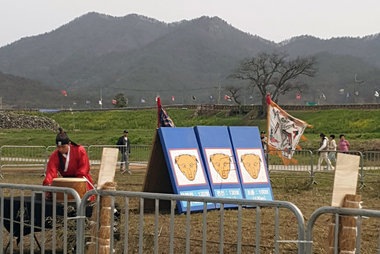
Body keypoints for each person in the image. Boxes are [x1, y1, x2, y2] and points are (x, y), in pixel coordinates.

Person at [43, 128, 95, 200]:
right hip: (65, 181)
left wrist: (76, 183)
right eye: (58, 147)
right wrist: (48, 184)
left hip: (81, 180)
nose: (60, 149)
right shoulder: (55, 155)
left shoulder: (79, 150)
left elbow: (84, 167)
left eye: (63, 147)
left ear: (69, 144)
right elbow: (51, 171)